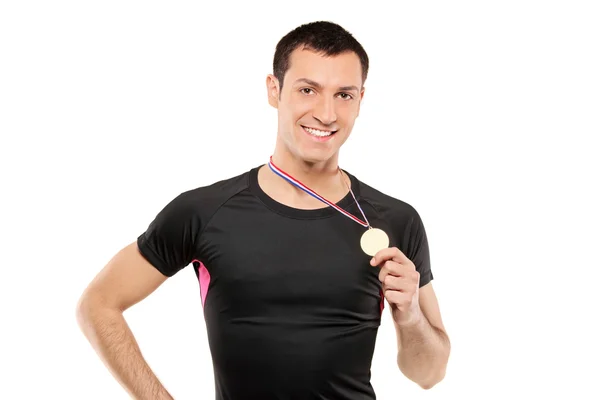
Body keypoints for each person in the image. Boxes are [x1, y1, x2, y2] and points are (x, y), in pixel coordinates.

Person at [76, 20, 451, 400]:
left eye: (344, 95)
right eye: (308, 90)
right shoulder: (205, 212)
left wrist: (411, 316)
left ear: (361, 101)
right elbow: (98, 305)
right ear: (275, 90)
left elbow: (429, 373)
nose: (327, 113)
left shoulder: (396, 220)